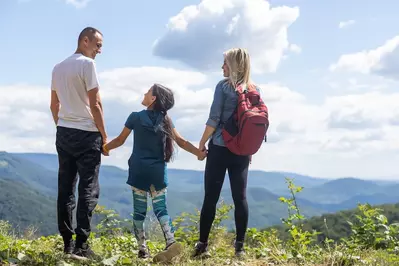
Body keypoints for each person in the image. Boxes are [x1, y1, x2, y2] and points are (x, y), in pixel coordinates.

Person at [103, 83, 207, 263]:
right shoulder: (166, 120)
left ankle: (143, 250)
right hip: (158, 172)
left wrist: (105, 147)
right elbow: (181, 141)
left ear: (153, 99)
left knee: (139, 211)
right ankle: (171, 241)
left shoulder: (135, 117)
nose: (144, 93)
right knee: (161, 208)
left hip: (138, 171)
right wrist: (198, 153)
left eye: (148, 91)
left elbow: (120, 140)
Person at [193, 48, 261, 258]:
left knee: (210, 198)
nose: (222, 67)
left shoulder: (223, 87)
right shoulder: (254, 88)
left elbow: (214, 119)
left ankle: (202, 245)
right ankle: (239, 248)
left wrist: (202, 143)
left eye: (224, 63)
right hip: (241, 151)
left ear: (233, 65)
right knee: (240, 198)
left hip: (221, 148)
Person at [50, 27, 107, 260]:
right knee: (88, 189)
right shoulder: (87, 65)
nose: (99, 50)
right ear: (85, 40)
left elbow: (54, 105)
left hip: (64, 132)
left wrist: (61, 126)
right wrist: (104, 136)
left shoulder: (57, 67)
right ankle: (82, 246)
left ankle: (67, 244)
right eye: (98, 44)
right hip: (87, 134)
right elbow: (95, 105)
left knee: (65, 189)